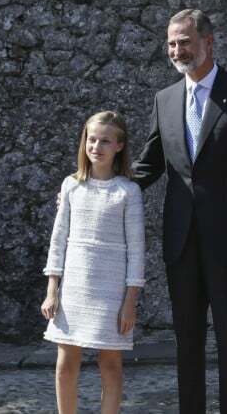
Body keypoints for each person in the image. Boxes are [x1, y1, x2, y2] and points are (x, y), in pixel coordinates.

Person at [131, 9, 227, 414]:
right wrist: (92, 183)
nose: (177, 50)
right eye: (172, 43)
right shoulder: (165, 99)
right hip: (181, 242)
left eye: (185, 42)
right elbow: (149, 164)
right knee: (187, 343)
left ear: (208, 42)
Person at [41, 111, 145, 414]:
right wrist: (52, 289)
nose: (96, 146)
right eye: (92, 139)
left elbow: (137, 251)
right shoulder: (71, 186)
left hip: (111, 293)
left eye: (105, 141)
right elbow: (58, 240)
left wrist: (130, 303)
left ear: (120, 146)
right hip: (73, 288)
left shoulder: (128, 191)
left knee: (110, 364)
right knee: (65, 363)